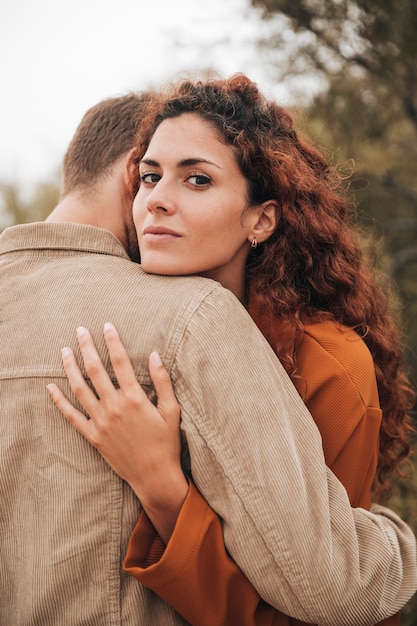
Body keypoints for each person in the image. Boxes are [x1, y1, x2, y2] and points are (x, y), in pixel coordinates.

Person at [1, 90, 414, 626]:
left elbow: (310, 605)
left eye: (197, 179)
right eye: (149, 178)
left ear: (261, 220)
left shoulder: (328, 365)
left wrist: (164, 489)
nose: (157, 199)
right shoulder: (137, 330)